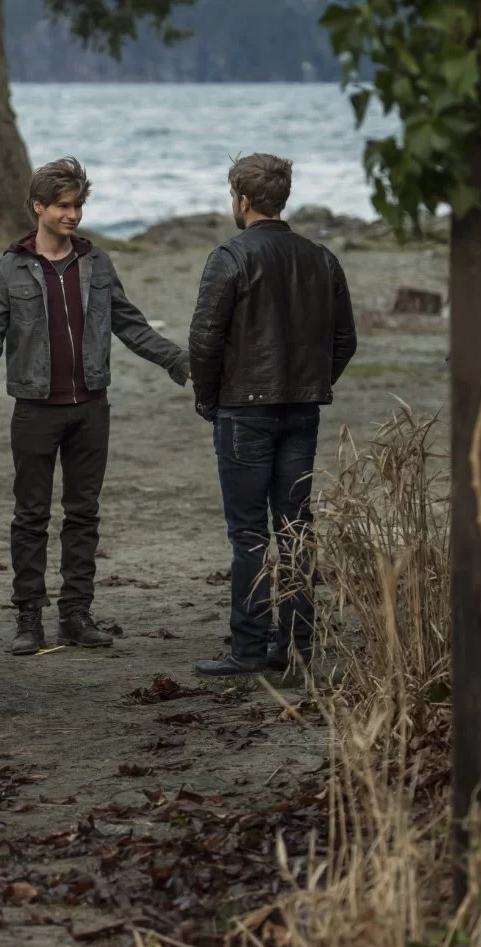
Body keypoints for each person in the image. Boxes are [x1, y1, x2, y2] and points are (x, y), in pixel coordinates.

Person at [0, 156, 190, 655]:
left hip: (91, 408)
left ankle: (76, 615)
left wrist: (180, 362)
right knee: (30, 516)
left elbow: (131, 325)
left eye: (78, 205)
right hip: (35, 410)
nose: (73, 215)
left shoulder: (97, 263)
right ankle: (28, 619)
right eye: (63, 205)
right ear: (38, 206)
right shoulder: (9, 269)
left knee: (83, 515)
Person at [188, 153, 358, 677]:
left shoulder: (229, 257)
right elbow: (345, 340)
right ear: (282, 198)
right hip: (301, 409)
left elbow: (204, 339)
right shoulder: (321, 258)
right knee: (296, 529)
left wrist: (209, 399)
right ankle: (297, 644)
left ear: (242, 200)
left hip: (244, 410)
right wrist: (313, 383)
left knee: (248, 534)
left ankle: (249, 647)